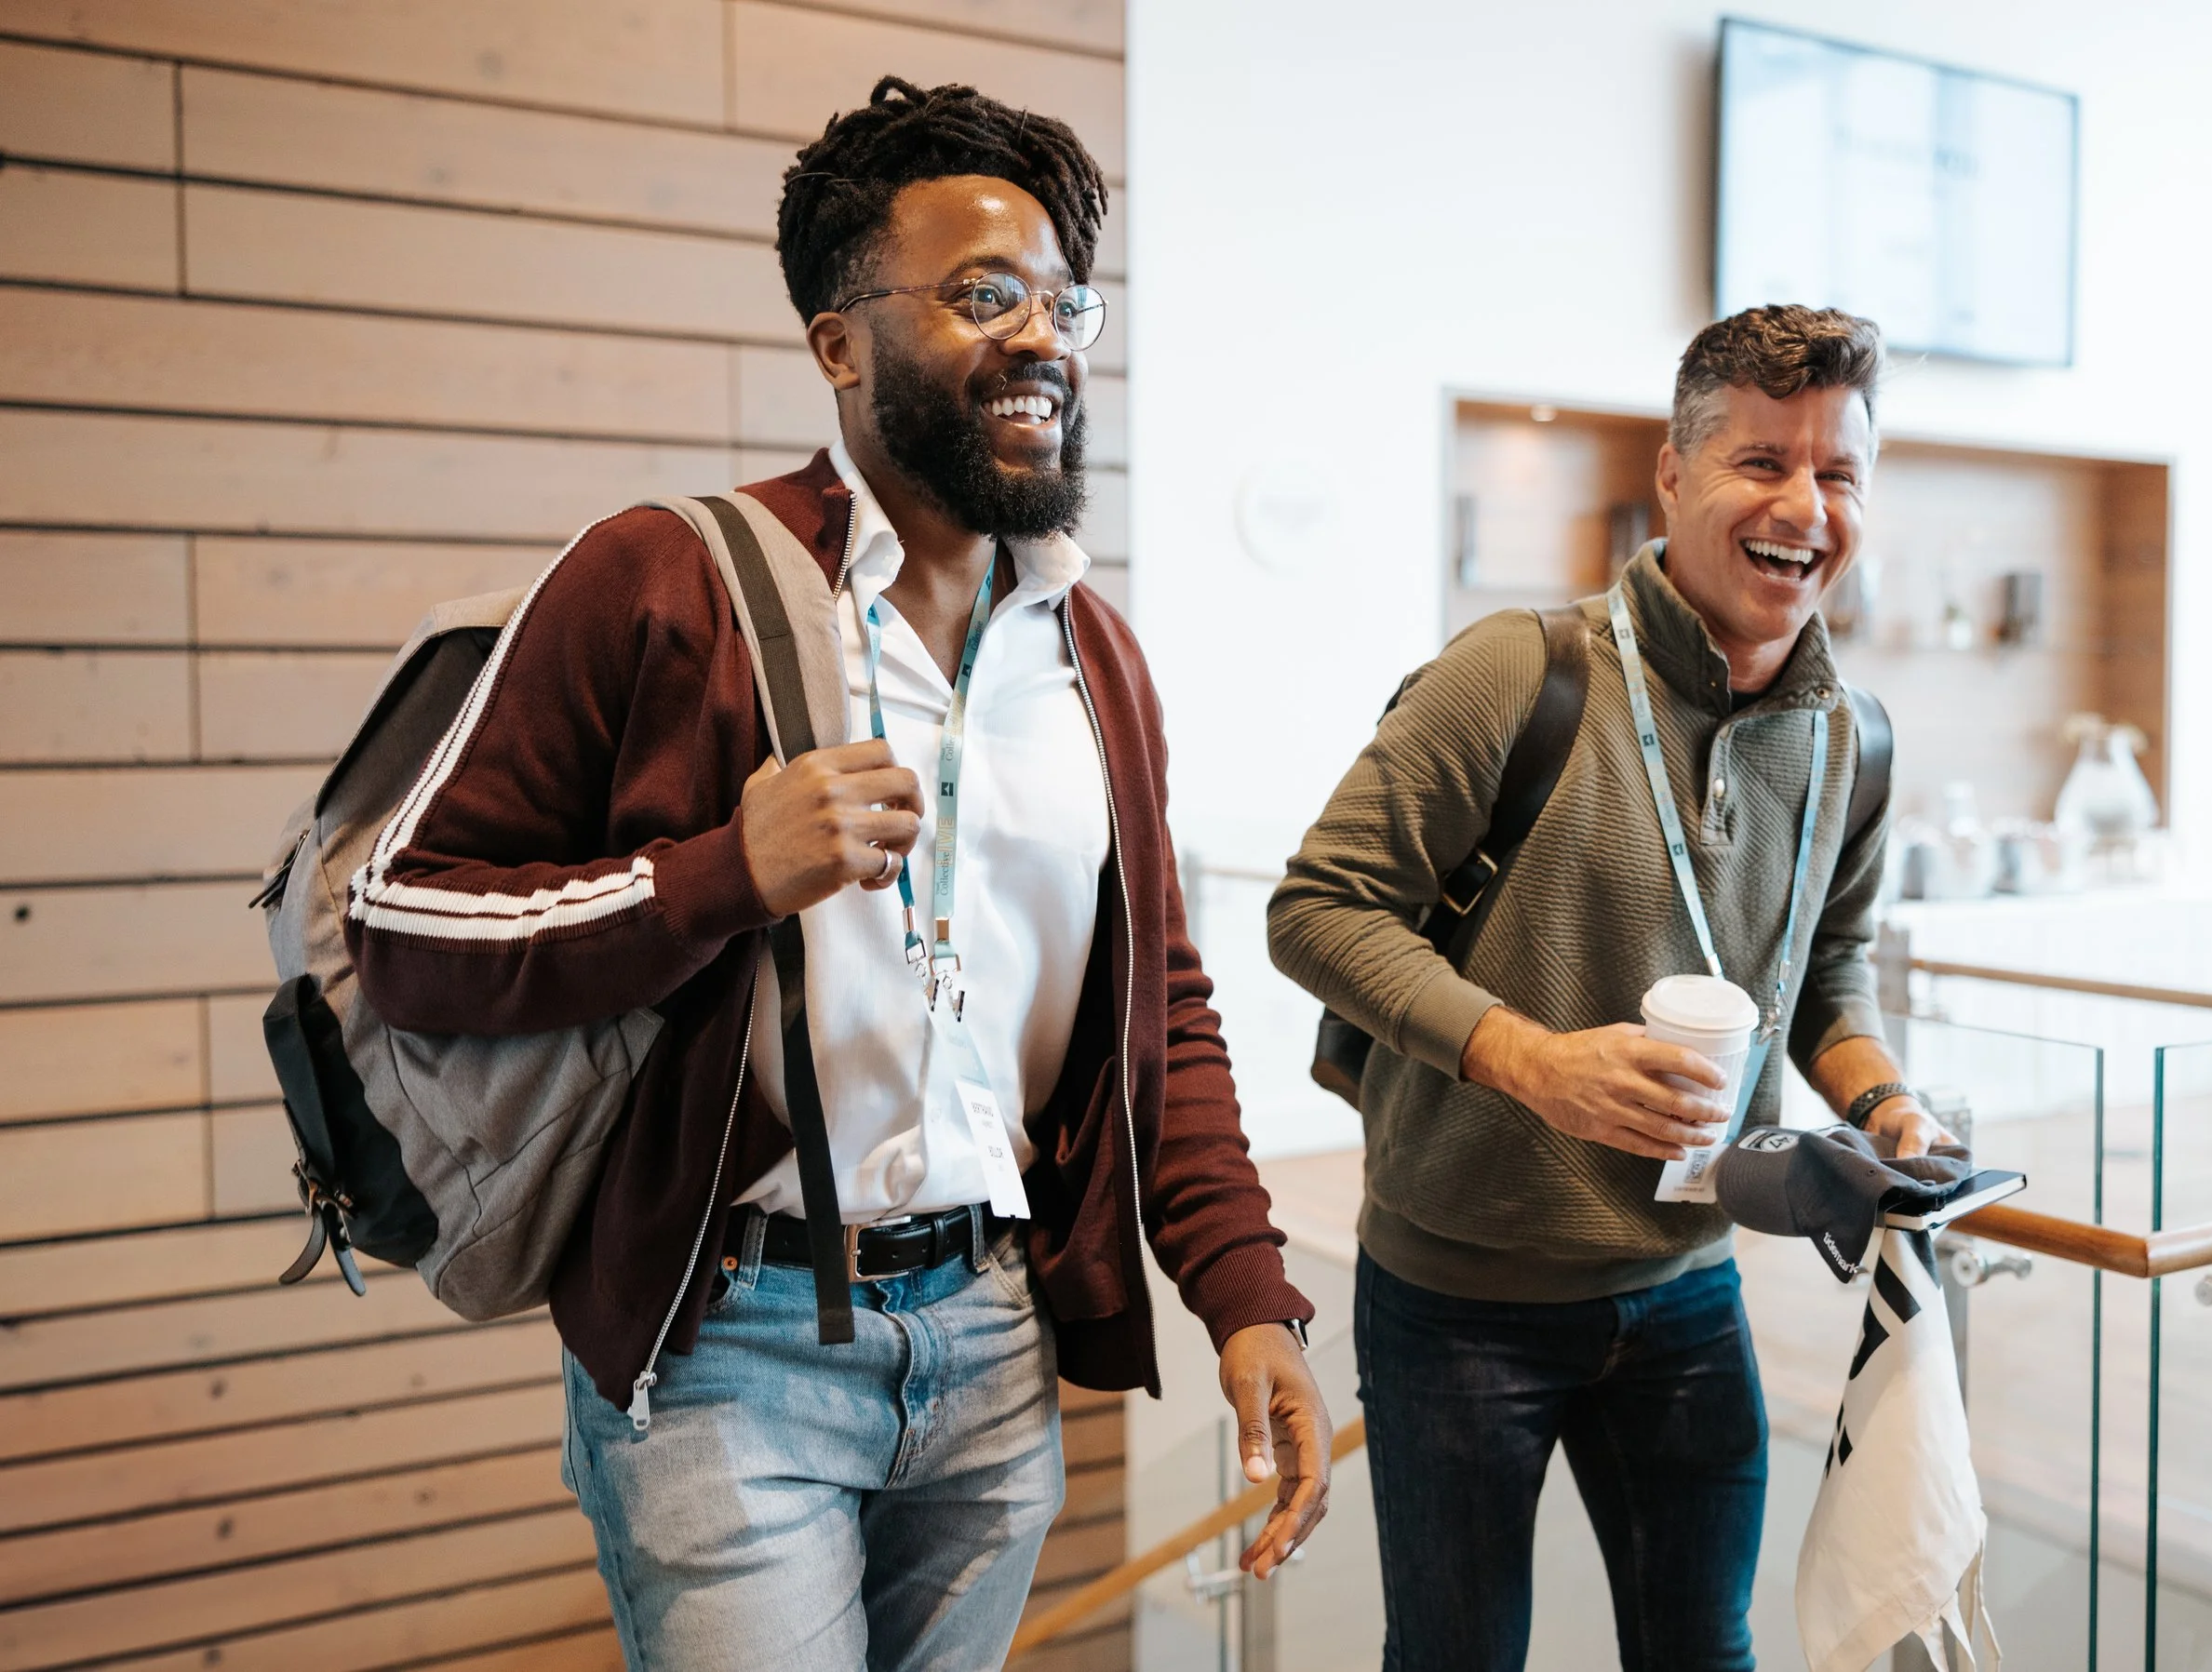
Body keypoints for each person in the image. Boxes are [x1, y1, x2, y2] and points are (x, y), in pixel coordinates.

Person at [345, 77, 1328, 1670]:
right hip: (732, 1344)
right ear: (837, 338)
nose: (1044, 337)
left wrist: (1246, 1295)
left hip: (995, 1335)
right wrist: (720, 873)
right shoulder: (663, 579)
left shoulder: (1094, 658)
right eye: (979, 294)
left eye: (1065, 299)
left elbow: (1165, 1006)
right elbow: (408, 926)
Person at [1267, 304, 1951, 1672]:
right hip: (1460, 1294)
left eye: (1839, 473)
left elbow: (1827, 965)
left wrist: (1881, 1104)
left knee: (1706, 1654)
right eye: (1762, 461)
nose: (1802, 506)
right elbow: (1316, 911)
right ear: (1676, 476)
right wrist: (1536, 1060)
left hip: (1691, 1288)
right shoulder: (1521, 670)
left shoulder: (1854, 738)